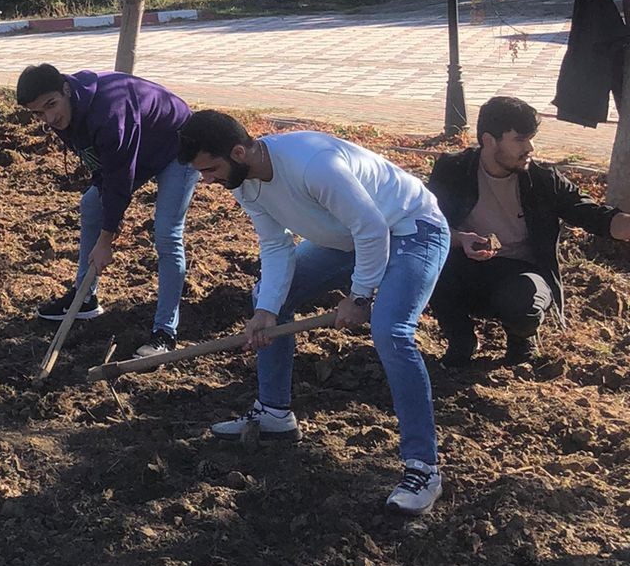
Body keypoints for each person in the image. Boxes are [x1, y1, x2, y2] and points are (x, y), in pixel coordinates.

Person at [178, 109, 450, 516]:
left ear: (238, 151)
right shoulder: (244, 182)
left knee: (390, 330)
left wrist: (359, 297)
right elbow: (275, 246)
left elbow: (373, 228)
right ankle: (273, 413)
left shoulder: (312, 163)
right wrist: (267, 310)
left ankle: (423, 467)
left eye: (211, 169)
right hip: (349, 239)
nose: (208, 180)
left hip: (411, 229)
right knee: (270, 296)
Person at [427, 94, 630, 368]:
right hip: (463, 265)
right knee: (422, 266)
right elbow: (427, 223)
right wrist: (460, 239)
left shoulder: (544, 181)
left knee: (523, 303)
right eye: (520, 140)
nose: (530, 148)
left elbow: (594, 216)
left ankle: (521, 338)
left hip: (521, 271)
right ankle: (460, 338)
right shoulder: (453, 170)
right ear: (489, 141)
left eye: (531, 138)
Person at [15, 61, 197, 356]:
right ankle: (85, 299)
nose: (49, 118)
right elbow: (102, 168)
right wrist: (104, 223)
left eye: (51, 105)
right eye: (39, 113)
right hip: (139, 146)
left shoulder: (109, 112)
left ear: (65, 88)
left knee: (166, 233)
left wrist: (106, 241)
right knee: (91, 204)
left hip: (178, 144)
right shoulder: (66, 113)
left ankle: (165, 332)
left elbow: (119, 177)